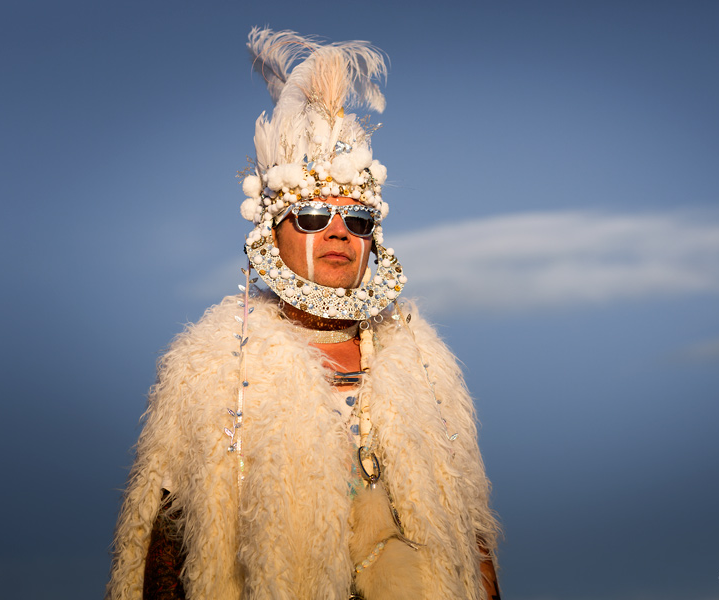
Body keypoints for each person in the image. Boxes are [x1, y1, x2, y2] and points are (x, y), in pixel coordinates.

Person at [106, 27, 501, 600]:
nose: (339, 232)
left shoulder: (424, 364)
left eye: (357, 221)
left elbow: (470, 536)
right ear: (274, 231)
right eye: (314, 217)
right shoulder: (212, 365)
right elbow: (167, 545)